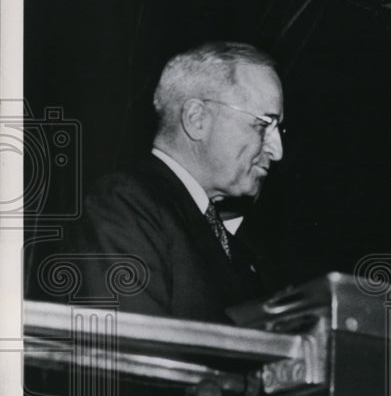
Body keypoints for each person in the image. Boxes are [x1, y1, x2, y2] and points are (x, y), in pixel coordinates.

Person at [64, 41, 284, 322]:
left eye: (279, 129)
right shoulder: (123, 204)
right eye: (263, 125)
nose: (277, 151)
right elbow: (135, 355)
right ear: (197, 119)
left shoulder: (236, 247)